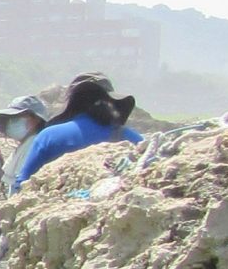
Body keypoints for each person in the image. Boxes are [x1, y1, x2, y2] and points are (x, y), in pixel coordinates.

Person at [12, 75, 143, 188]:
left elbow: (22, 183)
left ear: (73, 103)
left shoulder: (49, 136)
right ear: (111, 103)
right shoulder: (130, 137)